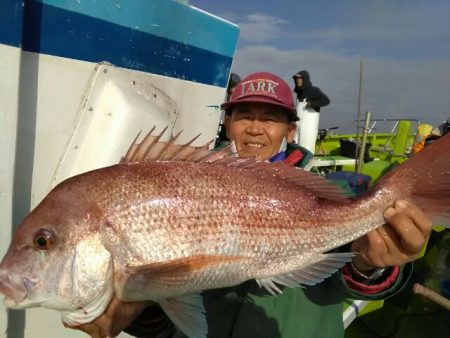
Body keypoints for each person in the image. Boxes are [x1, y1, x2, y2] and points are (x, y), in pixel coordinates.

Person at [72, 72, 432, 338]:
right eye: (244, 115)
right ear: (228, 123)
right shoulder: (189, 182)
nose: (255, 128)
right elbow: (174, 317)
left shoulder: (324, 191)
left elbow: (349, 275)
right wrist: (138, 308)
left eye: (271, 117)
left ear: (290, 130)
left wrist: (371, 264)